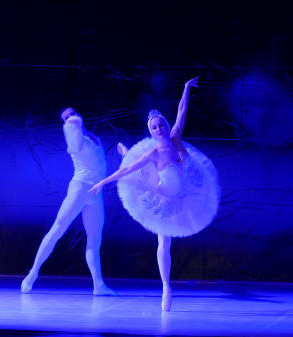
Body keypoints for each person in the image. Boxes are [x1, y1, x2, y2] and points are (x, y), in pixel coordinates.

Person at [89, 78, 221, 311]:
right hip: (162, 196)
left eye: (160, 125)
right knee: (163, 240)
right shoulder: (153, 153)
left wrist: (186, 87)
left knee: (168, 233)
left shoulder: (176, 138)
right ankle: (166, 287)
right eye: (154, 128)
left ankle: (127, 152)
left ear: (165, 125)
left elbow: (182, 110)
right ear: (150, 131)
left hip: (184, 191)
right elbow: (127, 170)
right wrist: (103, 181)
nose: (158, 129)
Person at [21, 107, 115, 296]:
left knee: (95, 239)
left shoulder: (92, 137)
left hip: (95, 194)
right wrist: (71, 121)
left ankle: (98, 285)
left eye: (73, 113)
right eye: (66, 116)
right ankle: (32, 274)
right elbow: (73, 126)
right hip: (79, 189)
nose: (71, 117)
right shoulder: (73, 136)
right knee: (57, 229)